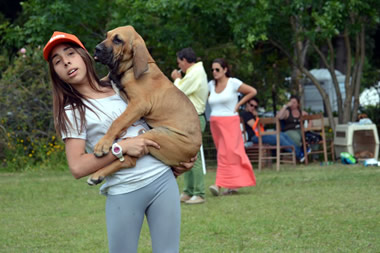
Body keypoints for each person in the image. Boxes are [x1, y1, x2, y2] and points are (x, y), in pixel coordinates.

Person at [43, 31, 195, 253]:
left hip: (163, 181)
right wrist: (121, 148)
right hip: (124, 190)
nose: (66, 62)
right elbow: (77, 167)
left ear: (85, 56)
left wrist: (179, 159)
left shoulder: (119, 85)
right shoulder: (73, 110)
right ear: (56, 73)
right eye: (58, 61)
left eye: (70, 54)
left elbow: (160, 121)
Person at [207, 58, 257, 196]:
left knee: (228, 153)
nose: (214, 72)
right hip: (215, 122)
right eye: (212, 70)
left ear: (225, 70)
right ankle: (233, 185)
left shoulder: (233, 83)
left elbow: (252, 91)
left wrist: (238, 105)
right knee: (225, 153)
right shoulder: (211, 85)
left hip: (230, 121)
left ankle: (219, 184)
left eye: (217, 69)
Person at [171, 48, 209, 204]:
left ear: (185, 61)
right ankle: (188, 191)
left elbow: (178, 90)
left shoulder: (196, 73)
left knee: (195, 156)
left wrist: (176, 78)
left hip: (194, 118)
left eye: (179, 62)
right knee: (185, 156)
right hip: (187, 118)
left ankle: (199, 193)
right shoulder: (194, 73)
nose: (179, 65)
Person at [241, 97, 305, 161]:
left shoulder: (252, 114)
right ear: (247, 104)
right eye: (251, 105)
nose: (253, 108)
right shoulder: (245, 114)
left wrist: (256, 117)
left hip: (261, 134)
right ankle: (299, 154)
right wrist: (256, 116)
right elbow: (255, 126)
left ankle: (300, 152)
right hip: (254, 137)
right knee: (279, 138)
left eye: (255, 107)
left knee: (283, 135)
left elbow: (262, 125)